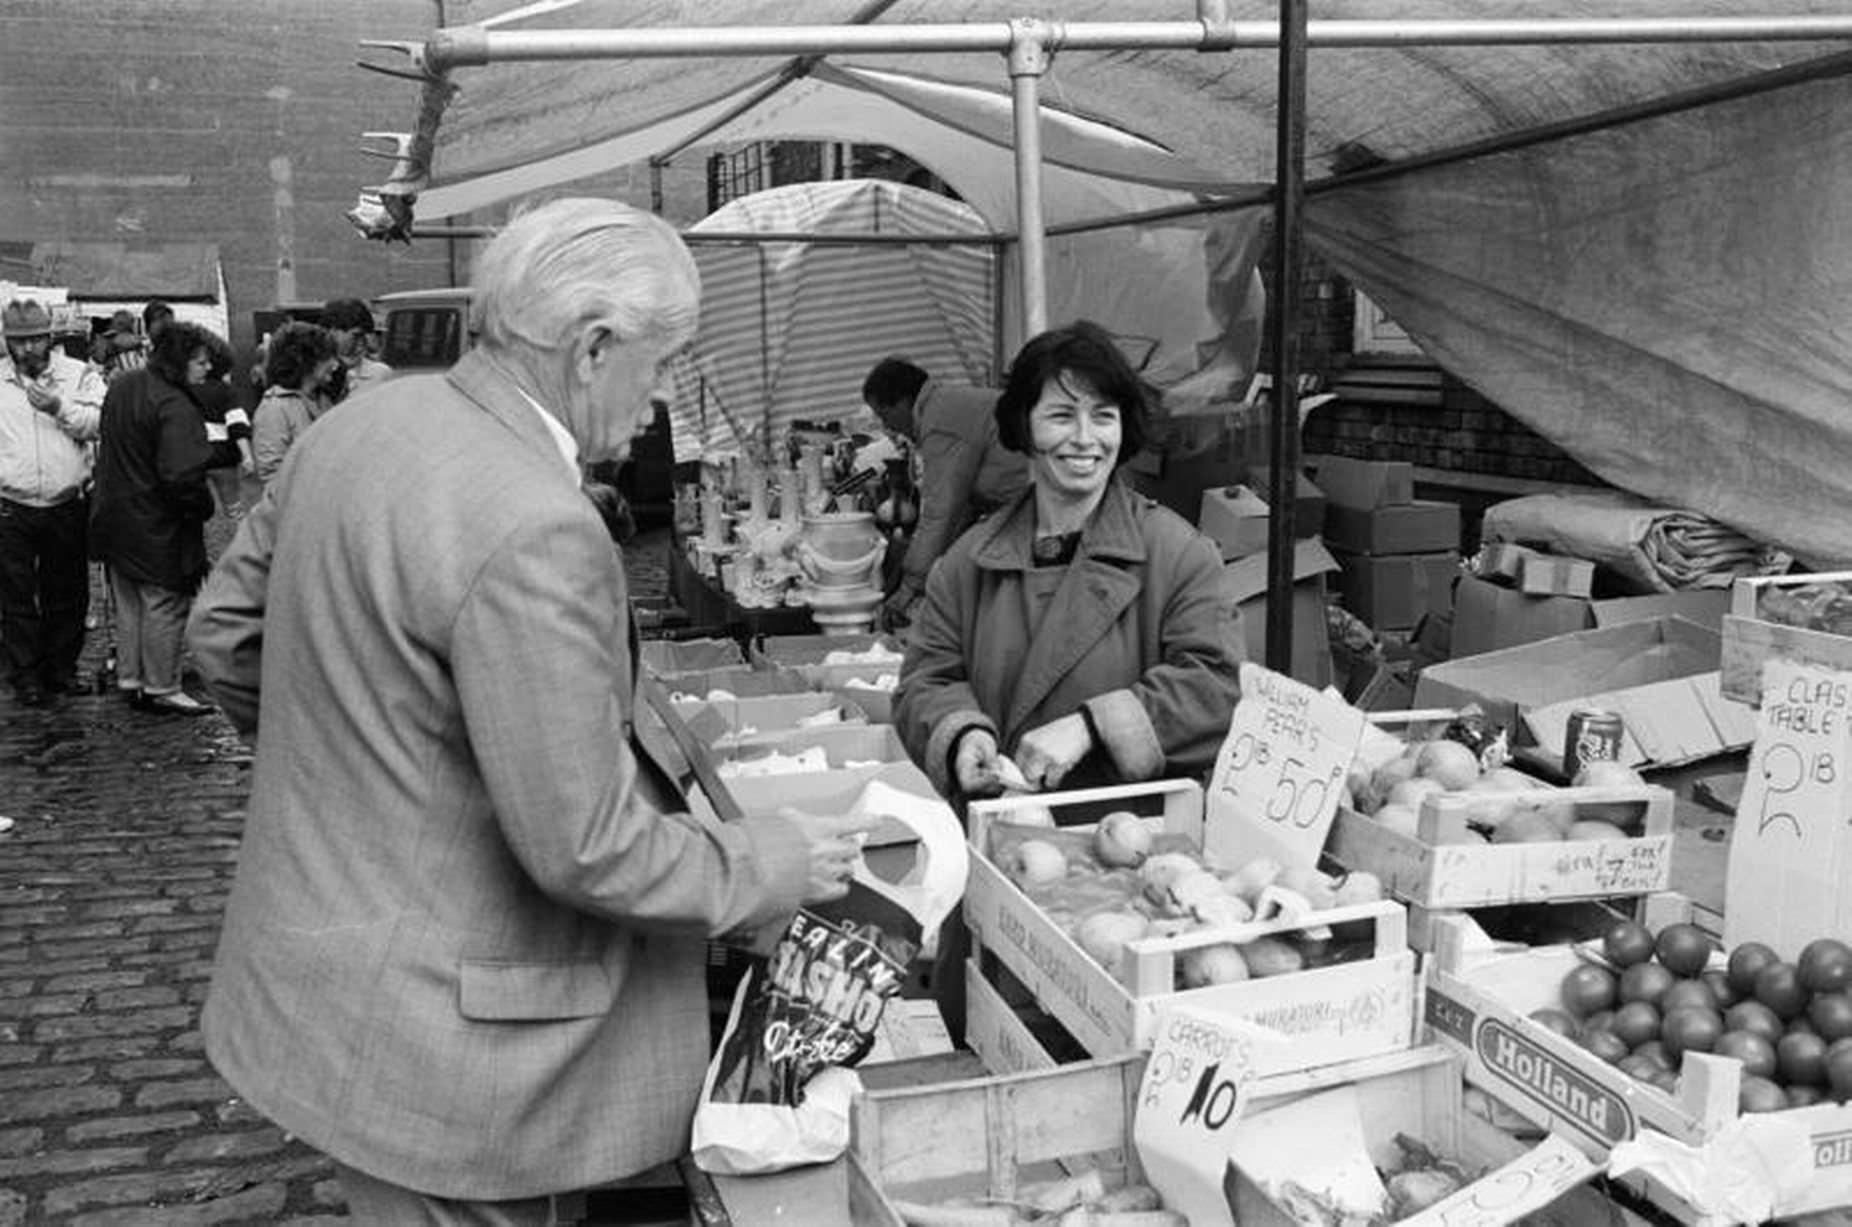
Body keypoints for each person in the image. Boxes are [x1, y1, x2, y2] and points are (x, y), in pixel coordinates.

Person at [186, 197, 876, 1221]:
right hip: (454, 1052)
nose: (661, 397)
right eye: (662, 361)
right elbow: (586, 846)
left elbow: (224, 638)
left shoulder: (360, 425)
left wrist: (361, 767)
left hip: (330, 986)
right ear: (593, 348)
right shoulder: (538, 524)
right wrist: (770, 863)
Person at [893, 321, 1245, 1041]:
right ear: (1023, 428)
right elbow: (925, 677)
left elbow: (1216, 686)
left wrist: (1091, 723)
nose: (1084, 438)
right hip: (1005, 870)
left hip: (1139, 892)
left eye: (1103, 416)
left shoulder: (1177, 553)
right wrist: (963, 735)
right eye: (1060, 414)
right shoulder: (968, 561)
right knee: (999, 1049)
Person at [88, 321, 220, 716]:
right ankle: (162, 685)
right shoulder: (175, 404)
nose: (206, 369)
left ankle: (133, 678)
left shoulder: (124, 385)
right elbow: (181, 474)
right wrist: (202, 507)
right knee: (165, 602)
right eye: (199, 362)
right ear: (180, 362)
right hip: (156, 521)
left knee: (130, 602)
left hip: (114, 513)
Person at [860, 356, 1028, 630]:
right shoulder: (944, 404)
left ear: (902, 402)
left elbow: (942, 511)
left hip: (1030, 510)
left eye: (885, 415)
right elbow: (959, 508)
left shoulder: (940, 421)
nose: (887, 426)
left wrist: (909, 587)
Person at [0, 299, 106, 705]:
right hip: (12, 503)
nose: (27, 350)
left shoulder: (78, 376)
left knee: (68, 593)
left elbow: (101, 422)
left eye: (34, 341)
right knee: (16, 595)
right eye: (18, 342)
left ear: (49, 338)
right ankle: (25, 674)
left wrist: (59, 408)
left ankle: (62, 669)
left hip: (65, 501)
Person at [248, 321, 337, 485]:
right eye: (326, 357)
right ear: (304, 360)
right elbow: (272, 477)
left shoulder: (323, 399)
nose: (334, 364)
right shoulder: (275, 409)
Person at [319, 296, 393, 403]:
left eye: (364, 338)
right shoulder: (314, 376)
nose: (361, 345)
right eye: (355, 336)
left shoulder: (379, 375)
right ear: (332, 331)